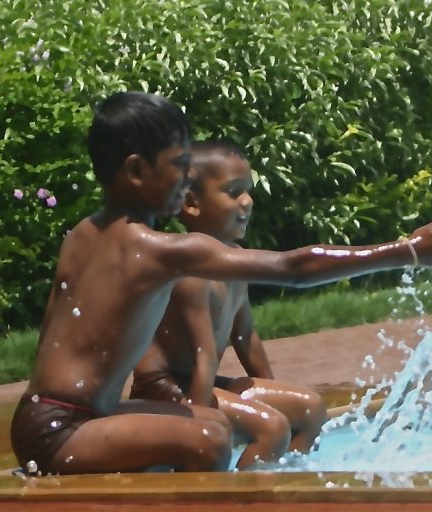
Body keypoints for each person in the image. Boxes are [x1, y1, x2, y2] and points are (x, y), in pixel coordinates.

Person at [10, 90, 432, 476]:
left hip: (67, 416)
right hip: (60, 429)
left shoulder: (83, 234)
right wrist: (404, 251)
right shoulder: (152, 248)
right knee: (209, 436)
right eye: (179, 165)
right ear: (137, 170)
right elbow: (292, 268)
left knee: (213, 424)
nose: (187, 176)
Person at [130, 141, 327, 469]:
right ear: (191, 203)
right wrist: (199, 425)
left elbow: (246, 337)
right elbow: (204, 355)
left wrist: (276, 392)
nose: (247, 201)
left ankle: (287, 484)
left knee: (311, 409)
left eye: (247, 191)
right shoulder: (190, 270)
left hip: (200, 381)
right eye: (233, 192)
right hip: (165, 391)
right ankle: (239, 499)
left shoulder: (234, 259)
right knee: (272, 427)